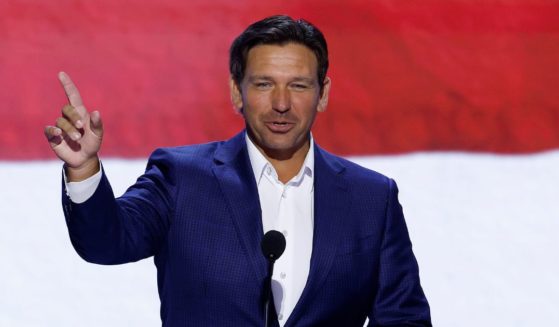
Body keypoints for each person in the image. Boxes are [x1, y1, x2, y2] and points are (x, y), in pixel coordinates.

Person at [44, 15, 431, 327]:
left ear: (323, 93)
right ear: (236, 92)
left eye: (298, 85)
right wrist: (84, 167)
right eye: (263, 84)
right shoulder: (182, 177)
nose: (281, 103)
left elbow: (404, 318)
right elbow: (106, 242)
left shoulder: (372, 198)